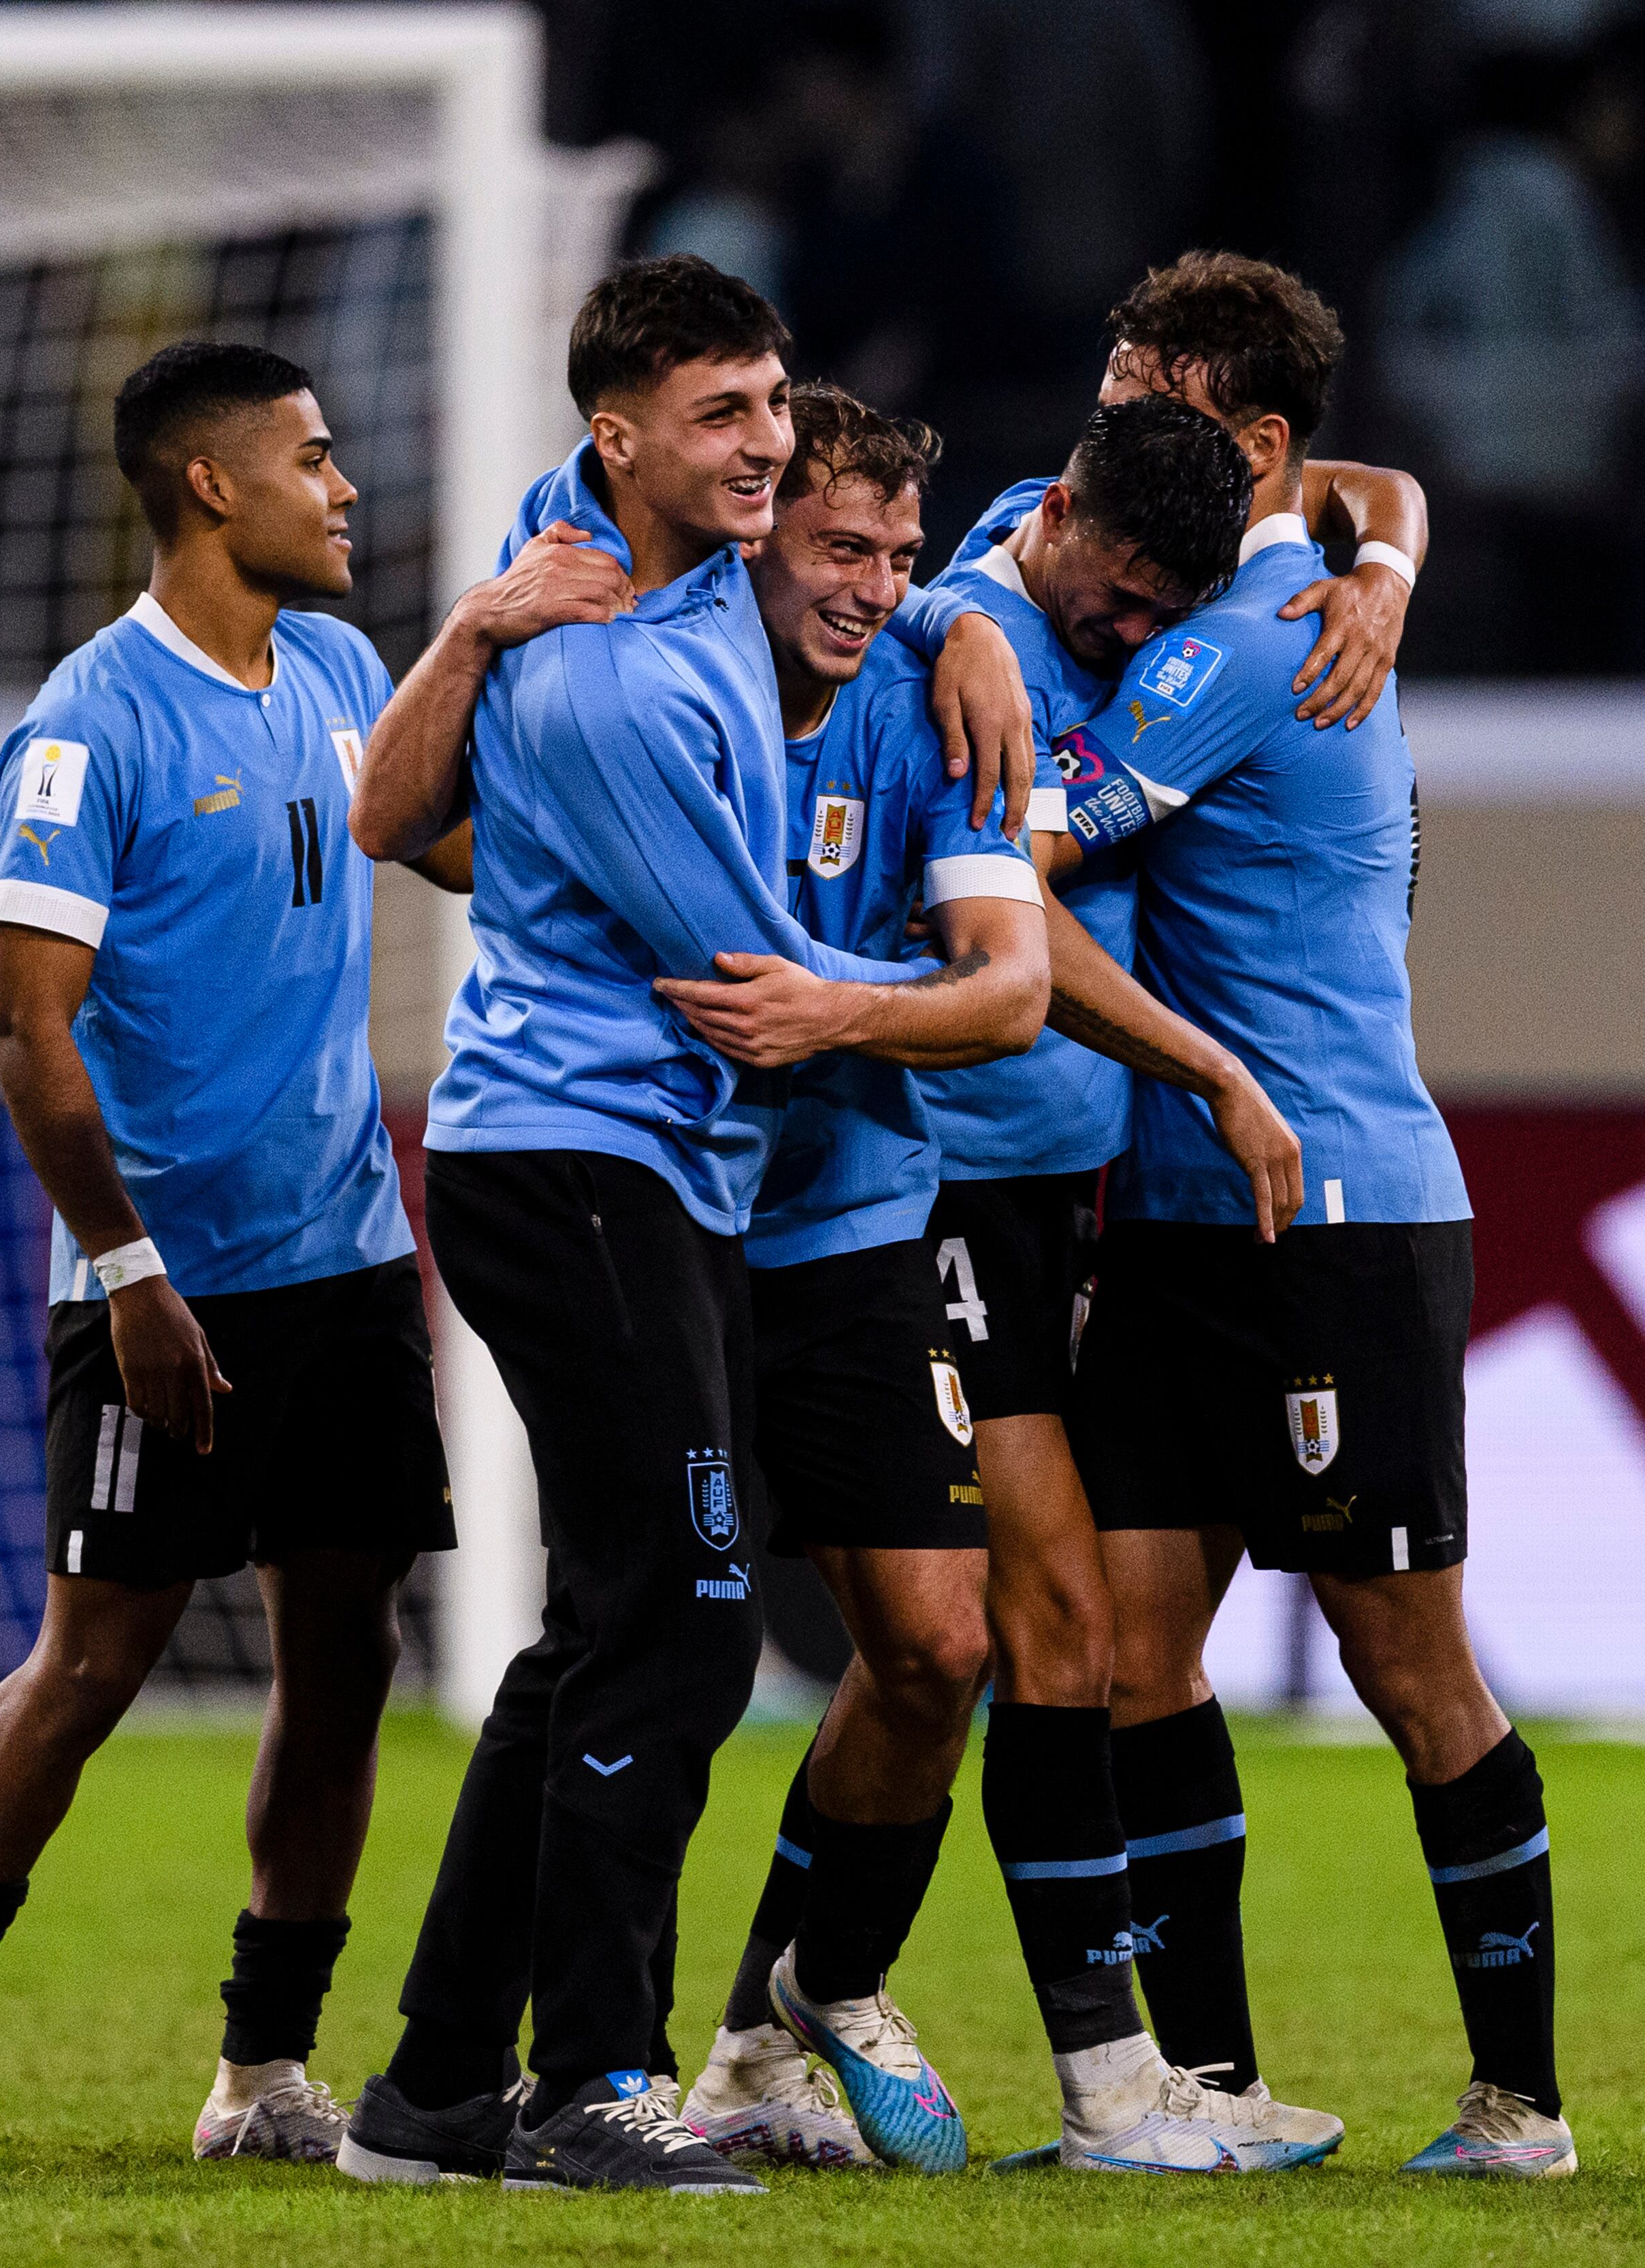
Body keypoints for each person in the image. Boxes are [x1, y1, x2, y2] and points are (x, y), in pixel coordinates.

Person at [330, 257, 977, 2198]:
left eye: (776, 403)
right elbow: (745, 976)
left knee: (607, 1623)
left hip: (633, 1169)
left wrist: (953, 617)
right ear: (625, 437)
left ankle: (437, 2089)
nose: (769, 443)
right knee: (692, 1620)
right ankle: (591, 2079)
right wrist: (916, 1007)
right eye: (729, 416)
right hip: (590, 1157)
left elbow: (836, 562)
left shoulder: (605, 538)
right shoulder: (606, 676)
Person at [0, 344, 466, 2173]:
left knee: (349, 1646)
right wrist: (125, 1267)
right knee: (94, 1660)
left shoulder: (346, 672)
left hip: (347, 1252)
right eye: (315, 457)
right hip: (158, 1278)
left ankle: (265, 2067)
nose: (346, 487)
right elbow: (32, 1031)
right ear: (212, 485)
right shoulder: (89, 721)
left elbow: (456, 846)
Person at [658, 387, 1303, 2179]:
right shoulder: (960, 651)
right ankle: (1104, 2079)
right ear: (1077, 513)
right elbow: (1008, 931)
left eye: (1183, 600)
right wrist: (1208, 1063)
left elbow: (1350, 487)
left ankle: (754, 2034)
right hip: (923, 1189)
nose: (1150, 629)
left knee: (931, 1652)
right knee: (1040, 1633)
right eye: (1132, 590)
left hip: (1033, 1201)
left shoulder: (1001, 585)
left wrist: (1384, 555)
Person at [1052, 251, 1576, 2181]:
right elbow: (1369, 491)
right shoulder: (1310, 585)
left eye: (1152, 387)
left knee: (1408, 1664)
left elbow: (1021, 847)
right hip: (1192, 1213)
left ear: (1250, 439)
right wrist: (1391, 550)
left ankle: (1520, 2102)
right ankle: (1214, 2089)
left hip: (1332, 1213)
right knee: (1129, 1654)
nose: (1112, 405)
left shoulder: (1239, 652)